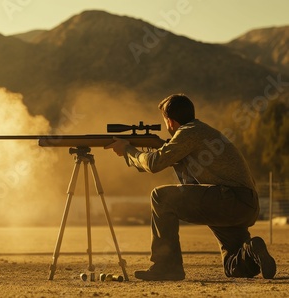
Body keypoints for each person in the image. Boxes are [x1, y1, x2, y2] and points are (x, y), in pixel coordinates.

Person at [104, 94, 276, 281]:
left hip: (229, 199)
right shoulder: (201, 131)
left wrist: (128, 151)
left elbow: (154, 163)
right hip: (243, 205)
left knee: (160, 197)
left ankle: (167, 267)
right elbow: (177, 174)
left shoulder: (188, 132)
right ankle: (252, 250)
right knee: (232, 265)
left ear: (170, 121)